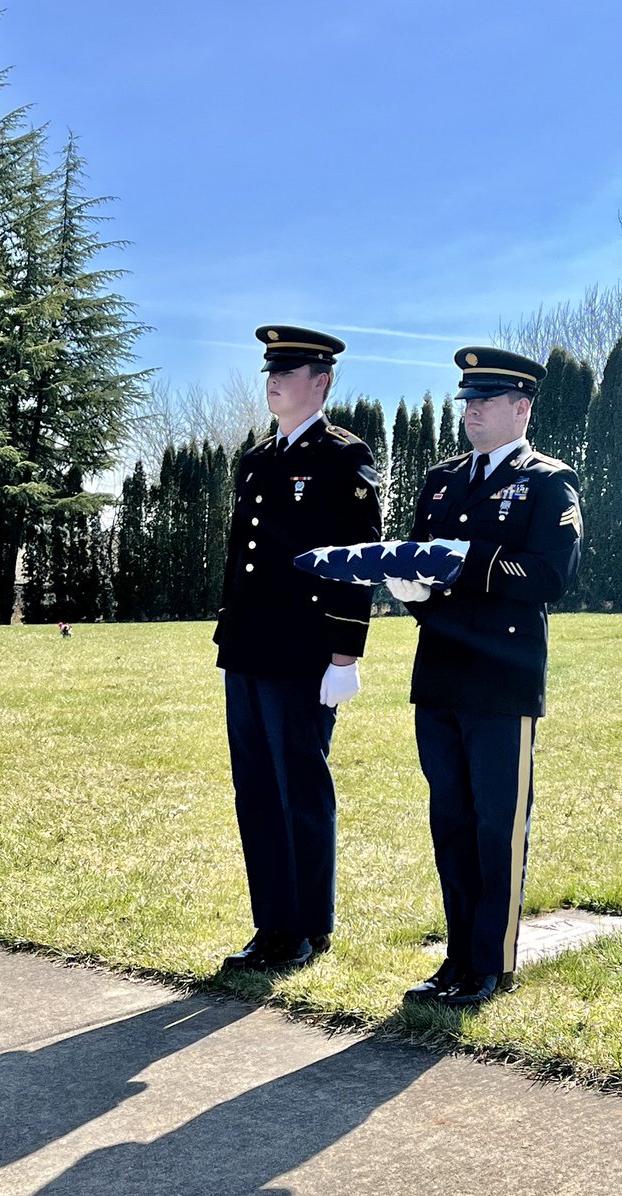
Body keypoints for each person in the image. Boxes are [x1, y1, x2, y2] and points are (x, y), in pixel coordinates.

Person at [388, 347, 582, 1007]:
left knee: (497, 823)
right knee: (450, 821)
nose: (471, 412)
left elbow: (550, 575)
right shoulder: (441, 481)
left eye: (485, 401)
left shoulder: (549, 481)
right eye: (467, 401)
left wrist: (466, 562)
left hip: (501, 682)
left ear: (520, 408)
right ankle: (456, 960)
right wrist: (407, 583)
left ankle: (490, 964)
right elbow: (416, 566)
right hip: (439, 675)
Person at [214, 325, 382, 972]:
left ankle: (308, 928)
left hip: (304, 650)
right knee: (254, 788)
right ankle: (270, 926)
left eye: (288, 372)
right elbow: (241, 555)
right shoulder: (256, 460)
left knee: (299, 789)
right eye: (270, 372)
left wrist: (347, 654)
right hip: (249, 647)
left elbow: (358, 560)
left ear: (323, 382)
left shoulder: (344, 456)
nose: (274, 381)